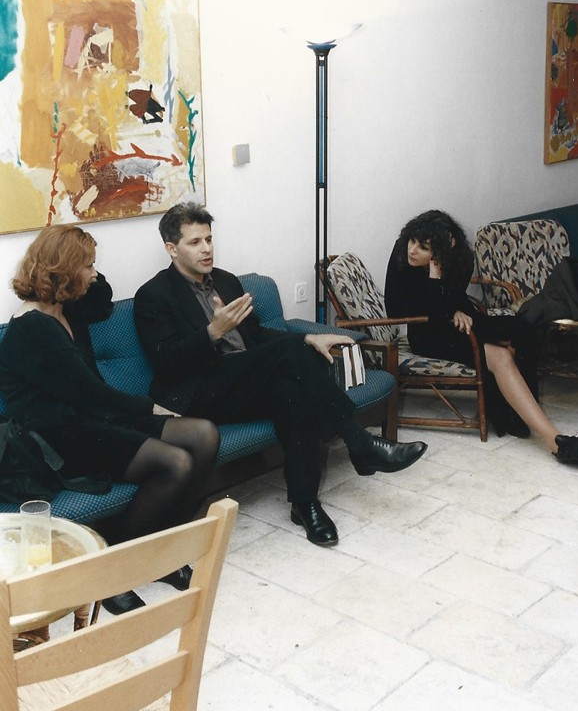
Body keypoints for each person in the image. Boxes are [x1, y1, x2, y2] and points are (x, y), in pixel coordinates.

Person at [134, 203, 428, 547]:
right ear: (172, 249)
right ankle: (359, 443)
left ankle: (305, 504)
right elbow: (166, 362)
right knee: (288, 360)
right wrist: (212, 333)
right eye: (194, 242)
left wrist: (308, 337)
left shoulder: (226, 281)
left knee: (291, 392)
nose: (206, 249)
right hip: (200, 392)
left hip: (246, 382)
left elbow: (256, 335)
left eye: (209, 239)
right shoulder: (153, 295)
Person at [0, 225, 220, 615]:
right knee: (176, 462)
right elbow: (90, 394)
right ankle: (113, 566)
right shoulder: (32, 329)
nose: (94, 274)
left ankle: (157, 549)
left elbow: (102, 302)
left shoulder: (67, 308)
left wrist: (84, 271)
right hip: (56, 440)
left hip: (92, 420)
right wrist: (150, 407)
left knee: (203, 435)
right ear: (66, 270)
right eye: (88, 266)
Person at [384, 209, 578, 468]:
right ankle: (556, 442)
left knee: (521, 329)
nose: (413, 250)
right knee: (500, 356)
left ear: (442, 250)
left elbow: (454, 297)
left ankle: (514, 411)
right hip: (427, 332)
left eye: (423, 247)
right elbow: (395, 310)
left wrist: (453, 308)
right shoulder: (401, 252)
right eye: (413, 241)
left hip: (458, 320)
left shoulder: (461, 257)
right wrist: (434, 274)